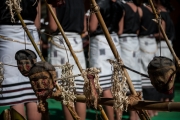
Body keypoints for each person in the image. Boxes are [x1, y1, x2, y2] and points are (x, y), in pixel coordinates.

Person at [0, 0, 41, 120]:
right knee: (34, 90)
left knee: (16, 93)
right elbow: (37, 23)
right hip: (31, 32)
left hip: (6, 32)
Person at [47, 0, 87, 119]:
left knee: (66, 91)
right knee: (79, 89)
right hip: (77, 43)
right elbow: (84, 28)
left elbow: (53, 26)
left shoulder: (54, 1)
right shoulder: (80, 2)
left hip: (61, 41)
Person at [89, 0, 123, 119]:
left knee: (104, 85)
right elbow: (120, 30)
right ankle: (118, 117)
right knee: (116, 84)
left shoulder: (99, 4)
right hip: (114, 41)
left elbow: (92, 27)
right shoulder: (120, 5)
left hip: (100, 42)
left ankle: (110, 118)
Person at [138, 0, 162, 117]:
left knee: (145, 76)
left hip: (143, 44)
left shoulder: (141, 10)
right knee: (153, 74)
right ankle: (154, 109)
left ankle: (149, 109)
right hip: (153, 43)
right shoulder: (156, 12)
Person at [118, 0, 141, 120]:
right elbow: (138, 30)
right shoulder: (139, 9)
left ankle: (119, 116)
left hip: (125, 43)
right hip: (135, 43)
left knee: (123, 80)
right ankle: (134, 116)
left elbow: (120, 30)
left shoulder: (123, 7)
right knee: (135, 80)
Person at [153, 0, 175, 102]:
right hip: (169, 46)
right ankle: (168, 97)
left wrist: (150, 35)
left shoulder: (161, 15)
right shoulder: (168, 14)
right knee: (169, 73)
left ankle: (163, 97)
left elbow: (162, 33)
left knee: (162, 73)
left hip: (163, 46)